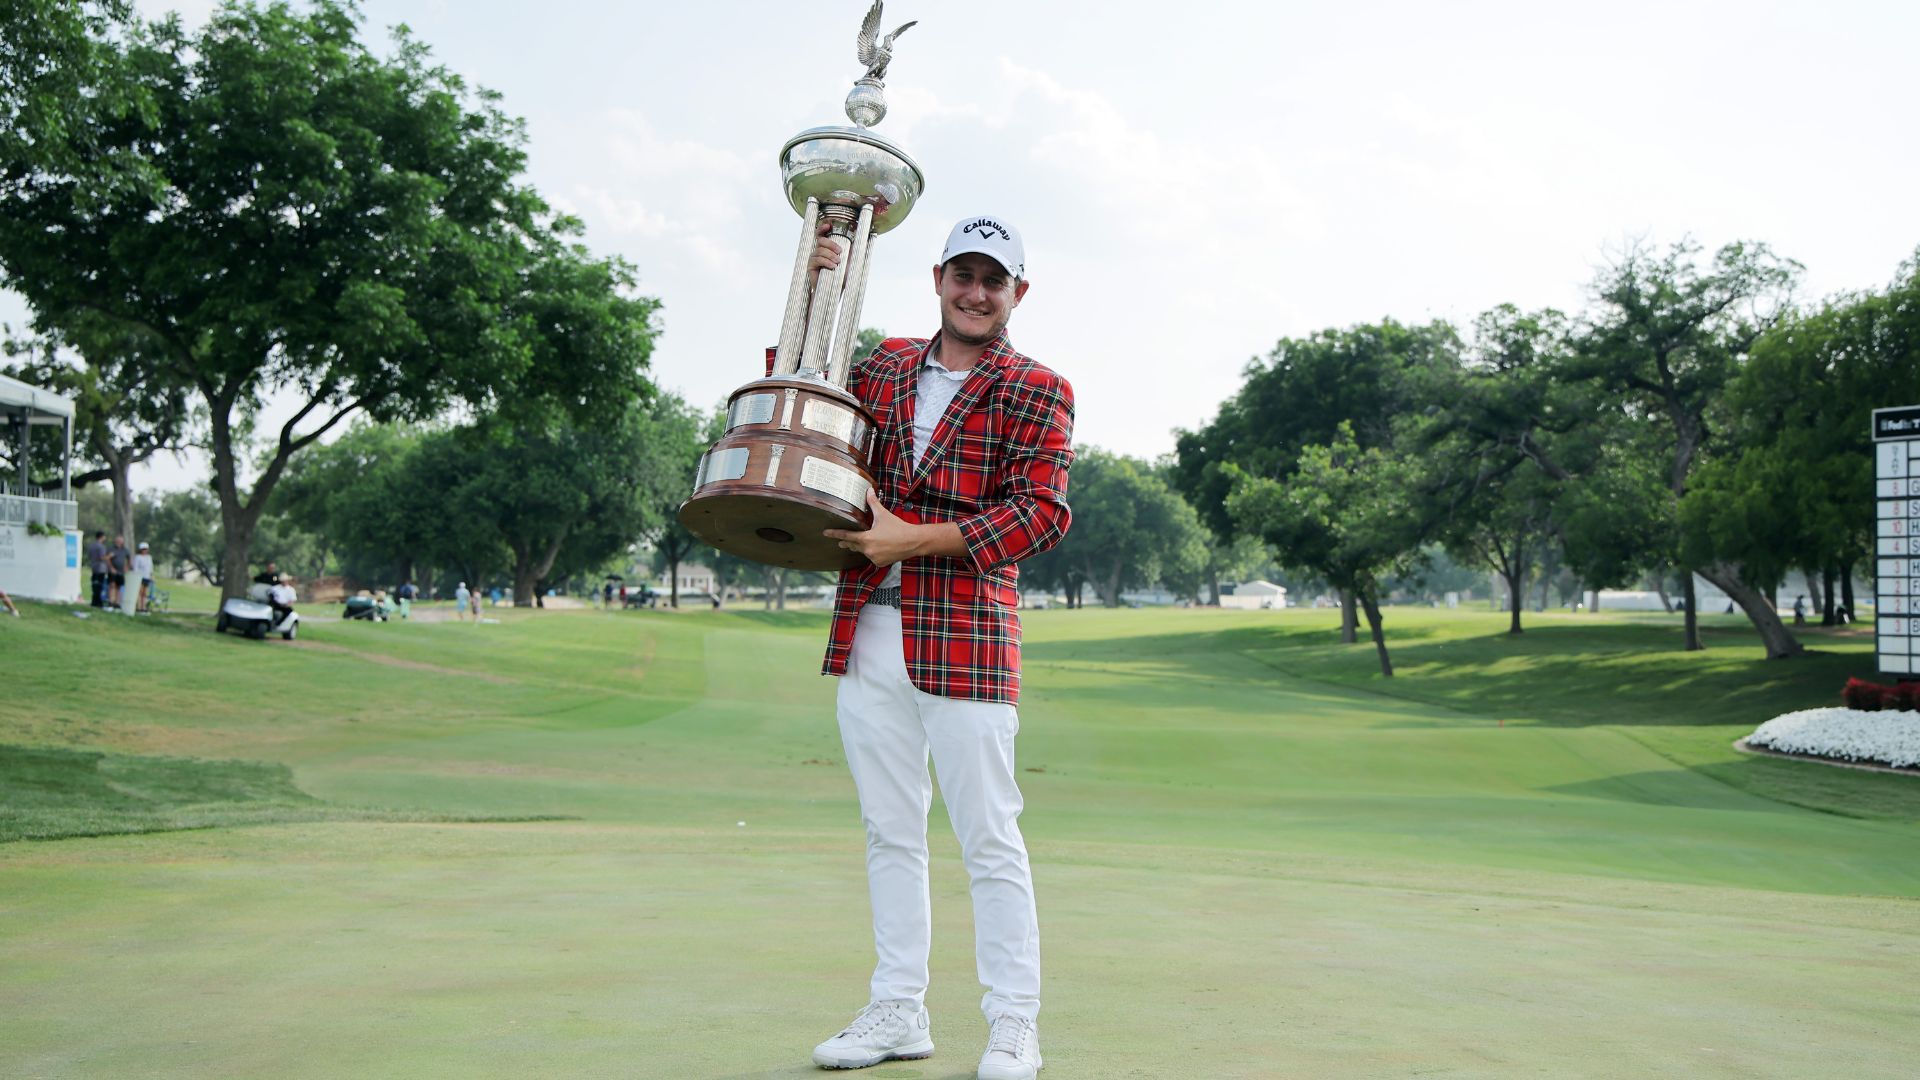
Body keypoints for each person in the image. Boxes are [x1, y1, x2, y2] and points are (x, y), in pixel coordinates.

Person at [807, 215, 1072, 1080]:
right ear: (937, 279)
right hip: (869, 629)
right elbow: (800, 381)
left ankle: (1012, 1022)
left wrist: (907, 540)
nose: (976, 292)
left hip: (966, 636)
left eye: (994, 279)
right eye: (964, 274)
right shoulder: (882, 363)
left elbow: (1039, 514)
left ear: (1017, 294)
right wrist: (820, 279)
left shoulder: (1038, 387)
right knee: (891, 832)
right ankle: (897, 1010)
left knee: (989, 838)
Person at [85, 531, 109, 607]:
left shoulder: (91, 546)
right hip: (101, 568)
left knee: (94, 584)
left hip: (94, 567)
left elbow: (89, 556)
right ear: (102, 537)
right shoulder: (101, 547)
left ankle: (94, 601)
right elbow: (102, 557)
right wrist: (110, 556)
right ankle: (98, 602)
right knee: (99, 585)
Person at [107, 534, 131, 610]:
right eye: (117, 541)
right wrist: (111, 568)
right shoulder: (111, 549)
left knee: (119, 587)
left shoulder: (125, 550)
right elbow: (107, 559)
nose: (118, 542)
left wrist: (127, 567)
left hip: (121, 572)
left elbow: (129, 558)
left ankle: (117, 603)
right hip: (113, 571)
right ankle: (111, 602)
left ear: (122, 542)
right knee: (112, 585)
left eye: (120, 541)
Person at [132, 541, 155, 615]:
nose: (145, 550)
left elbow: (150, 568)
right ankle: (139, 607)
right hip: (140, 577)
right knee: (140, 593)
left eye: (146, 549)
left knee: (145, 593)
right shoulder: (138, 557)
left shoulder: (149, 557)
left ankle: (143, 607)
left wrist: (152, 576)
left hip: (147, 577)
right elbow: (135, 568)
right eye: (143, 549)